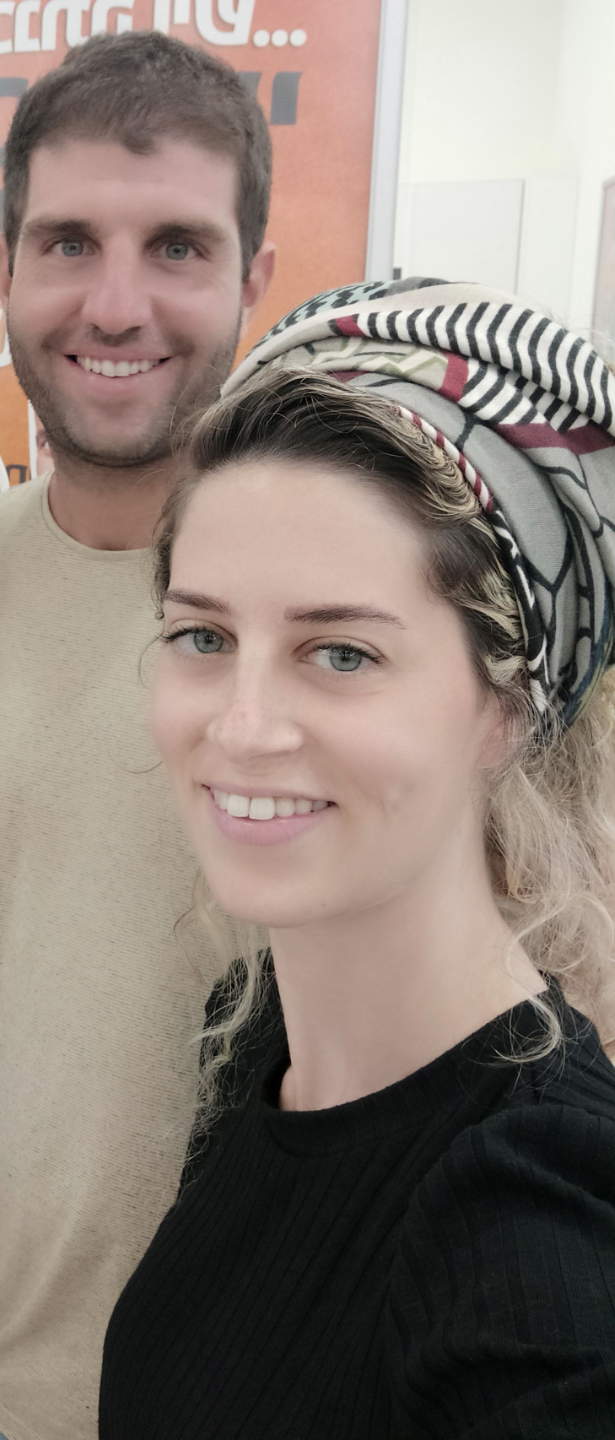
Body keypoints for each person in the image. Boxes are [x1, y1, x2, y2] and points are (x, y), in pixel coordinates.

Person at [100, 280, 615, 1438]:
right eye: (203, 635)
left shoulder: (537, 1225)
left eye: (340, 654)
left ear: (506, 710)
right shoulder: (256, 1032)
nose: (241, 726)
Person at [0, 31, 274, 1440]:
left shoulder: (346, 585)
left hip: (268, 1382)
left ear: (252, 281)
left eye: (176, 246)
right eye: (67, 243)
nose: (115, 303)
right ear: (3, 266)